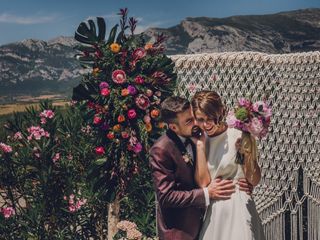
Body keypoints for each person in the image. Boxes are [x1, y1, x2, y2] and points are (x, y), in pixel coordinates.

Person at [149, 96, 251, 240]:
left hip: (206, 225)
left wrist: (243, 182)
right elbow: (166, 196)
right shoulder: (161, 150)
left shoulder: (198, 137)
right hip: (179, 232)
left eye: (193, 117)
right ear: (173, 127)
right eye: (189, 121)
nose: (196, 123)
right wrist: (206, 193)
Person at [191, 90, 266, 240]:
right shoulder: (197, 141)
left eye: (210, 118)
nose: (205, 124)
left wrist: (247, 154)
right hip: (214, 213)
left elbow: (254, 180)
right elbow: (203, 183)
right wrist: (200, 146)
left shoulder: (237, 135)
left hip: (239, 206)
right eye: (200, 119)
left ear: (220, 111)